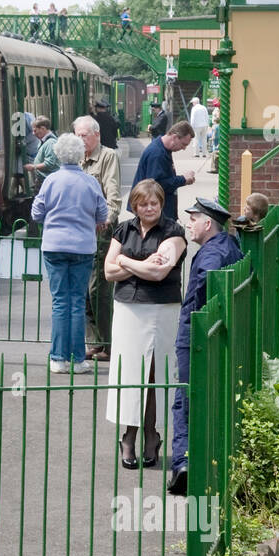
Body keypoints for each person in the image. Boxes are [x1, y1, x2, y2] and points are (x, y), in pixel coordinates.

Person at [104, 179, 187, 468]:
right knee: (131, 374)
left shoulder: (173, 232)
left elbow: (159, 273)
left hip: (162, 309)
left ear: (161, 204)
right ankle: (129, 436)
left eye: (154, 203)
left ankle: (152, 435)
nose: (149, 208)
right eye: (143, 203)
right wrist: (135, 263)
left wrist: (125, 262)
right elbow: (107, 271)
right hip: (128, 309)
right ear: (134, 206)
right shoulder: (123, 229)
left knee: (156, 374)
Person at [169, 197, 244, 495]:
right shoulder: (229, 245)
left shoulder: (212, 252)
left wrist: (198, 317)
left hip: (196, 333)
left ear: (207, 223)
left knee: (185, 398)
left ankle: (183, 463)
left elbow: (206, 281)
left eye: (193, 218)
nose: (189, 224)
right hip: (213, 332)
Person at [30, 133, 109, 373]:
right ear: (81, 154)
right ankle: (77, 360)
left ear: (57, 155)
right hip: (83, 248)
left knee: (59, 302)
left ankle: (57, 358)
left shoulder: (51, 181)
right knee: (76, 302)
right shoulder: (90, 182)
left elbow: (36, 213)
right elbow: (103, 215)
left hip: (54, 247)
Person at [74, 115, 121, 361]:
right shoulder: (74, 159)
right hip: (79, 232)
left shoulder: (107, 156)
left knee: (98, 289)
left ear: (97, 135)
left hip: (100, 231)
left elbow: (113, 195)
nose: (81, 140)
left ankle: (108, 343)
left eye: (84, 135)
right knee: (83, 289)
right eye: (77, 135)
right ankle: (94, 341)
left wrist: (108, 219)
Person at [131, 121, 196, 221]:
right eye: (183, 144)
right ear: (174, 137)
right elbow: (155, 185)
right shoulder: (157, 154)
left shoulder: (162, 149)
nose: (184, 148)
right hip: (153, 213)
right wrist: (183, 179)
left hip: (158, 211)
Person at [23, 116, 59, 189]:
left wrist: (34, 167)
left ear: (42, 129)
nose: (33, 133)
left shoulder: (50, 143)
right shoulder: (44, 141)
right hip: (45, 181)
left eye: (35, 130)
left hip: (48, 182)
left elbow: (50, 163)